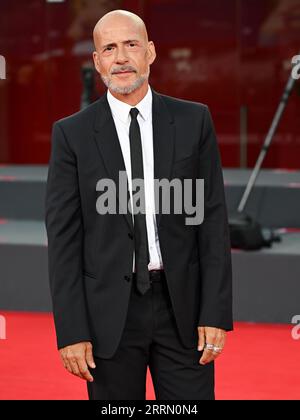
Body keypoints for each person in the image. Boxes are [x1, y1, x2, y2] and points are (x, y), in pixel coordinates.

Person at [45, 9, 233, 400]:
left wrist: (214, 313)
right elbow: (63, 240)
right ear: (97, 61)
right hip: (107, 316)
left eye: (131, 44)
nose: (121, 57)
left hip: (182, 309)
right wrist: (72, 329)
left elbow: (212, 221)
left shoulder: (193, 120)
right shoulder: (71, 135)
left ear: (150, 51)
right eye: (109, 48)